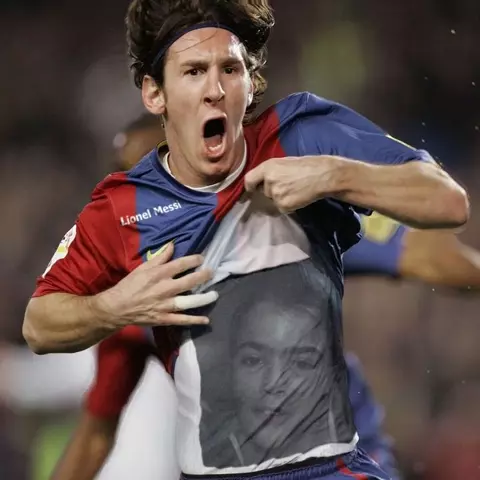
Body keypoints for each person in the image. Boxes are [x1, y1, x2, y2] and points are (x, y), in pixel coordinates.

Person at [24, 0, 469, 478]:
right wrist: (115, 306)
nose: (214, 89)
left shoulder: (299, 140)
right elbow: (40, 326)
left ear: (251, 82)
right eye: (194, 71)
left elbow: (447, 204)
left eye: (230, 69)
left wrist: (334, 174)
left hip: (329, 465)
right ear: (155, 95)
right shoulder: (123, 212)